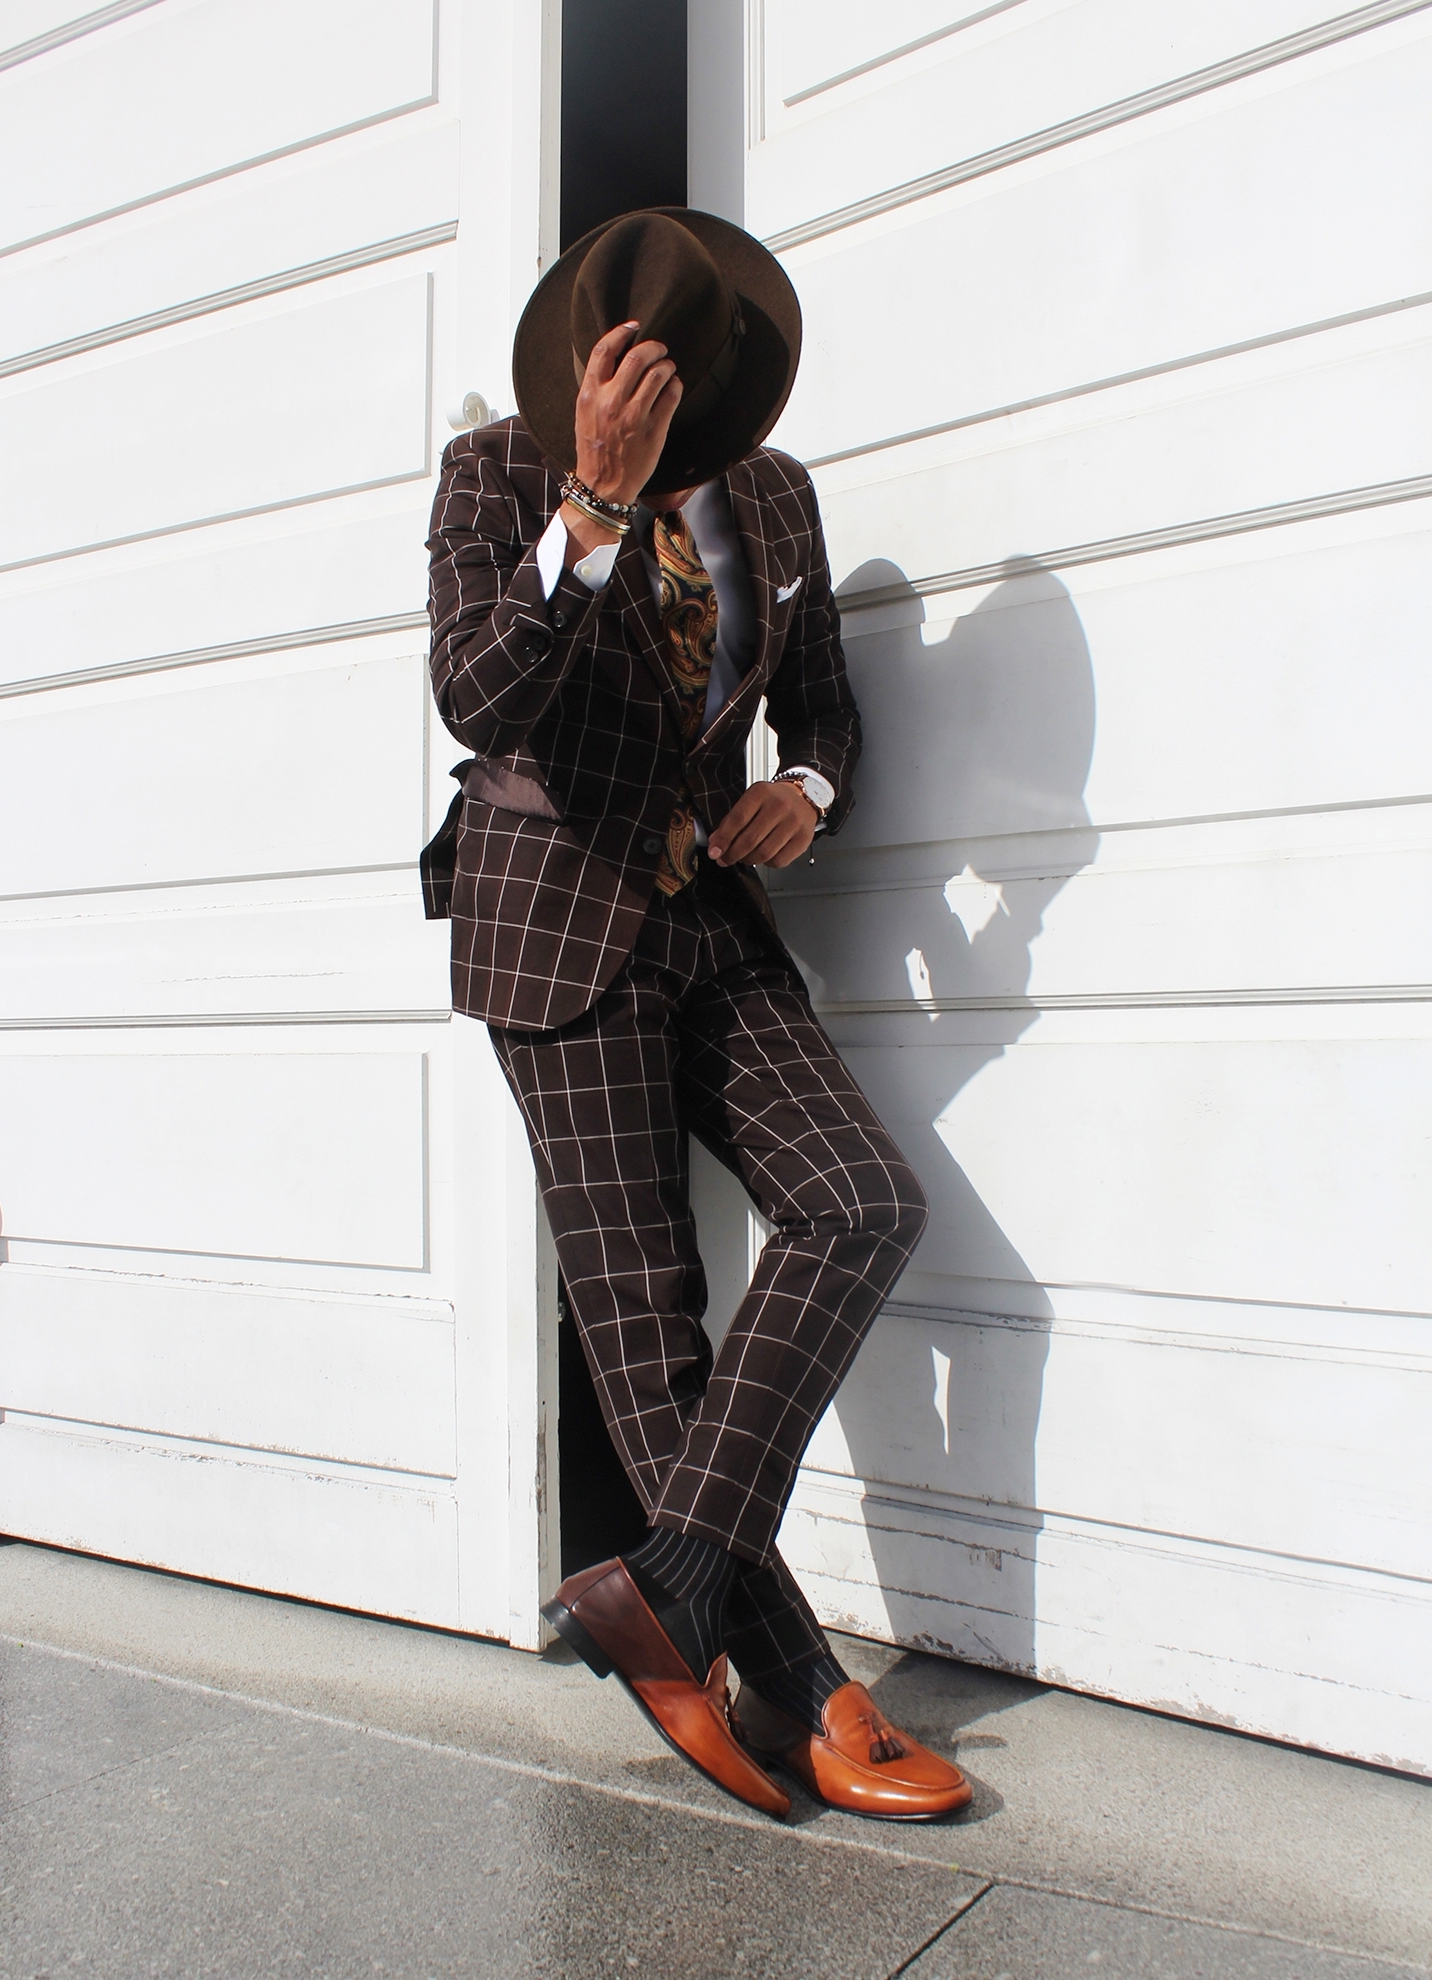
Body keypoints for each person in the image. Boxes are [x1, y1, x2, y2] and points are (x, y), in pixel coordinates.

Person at [422, 208, 970, 1822]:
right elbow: (480, 697)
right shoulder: (494, 478)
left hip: (712, 917)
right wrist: (590, 504)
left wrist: (810, 789)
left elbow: (826, 711)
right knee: (648, 1327)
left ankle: (663, 1592)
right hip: (553, 917)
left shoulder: (776, 497)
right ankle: (809, 1691)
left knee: (860, 1200)